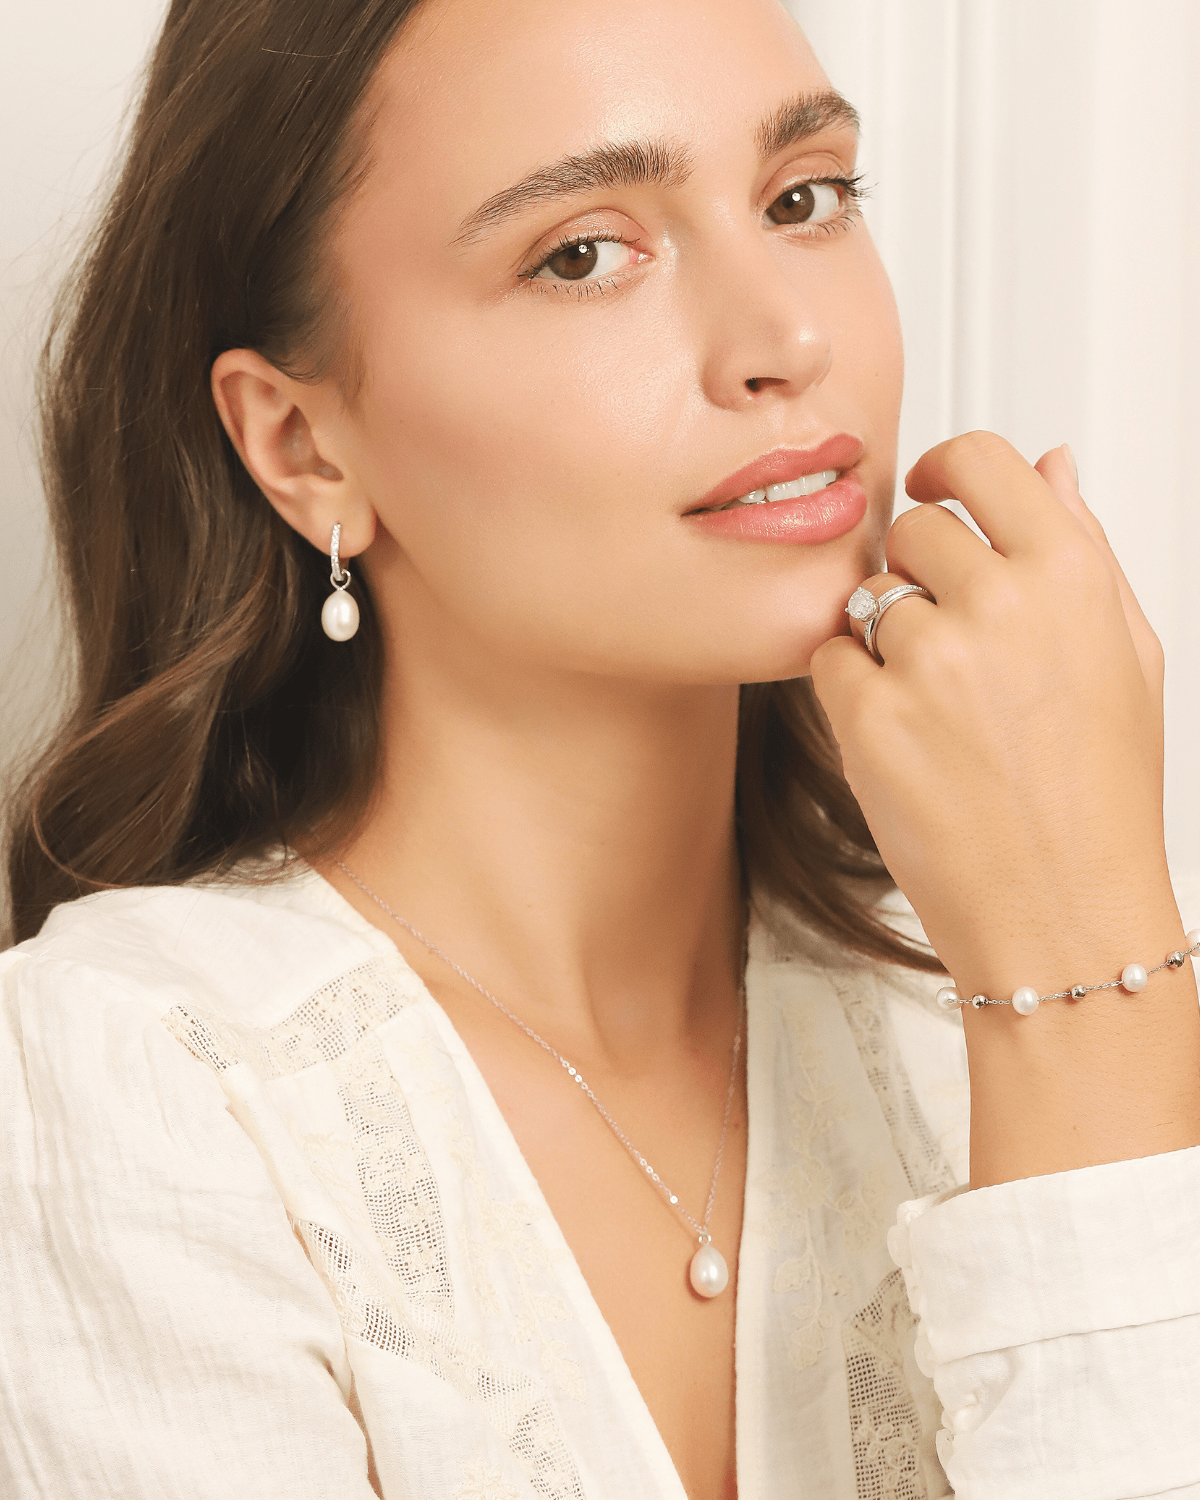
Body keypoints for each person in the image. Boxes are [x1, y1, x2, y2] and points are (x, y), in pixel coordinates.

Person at [2, 0, 1198, 1495]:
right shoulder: (138, 1085)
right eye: (581, 252)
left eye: (803, 198)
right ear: (303, 446)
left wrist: (1085, 982)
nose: (786, 340)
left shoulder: (991, 1020)